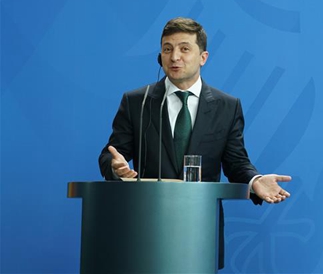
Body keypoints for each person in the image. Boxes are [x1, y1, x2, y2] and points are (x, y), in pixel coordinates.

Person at [98, 17, 291, 268]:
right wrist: (115, 168)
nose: (174, 57)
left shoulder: (226, 106)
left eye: (184, 48)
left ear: (203, 57)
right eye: (167, 49)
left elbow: (236, 163)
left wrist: (255, 180)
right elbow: (111, 155)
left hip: (200, 229)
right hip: (146, 226)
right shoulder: (138, 102)